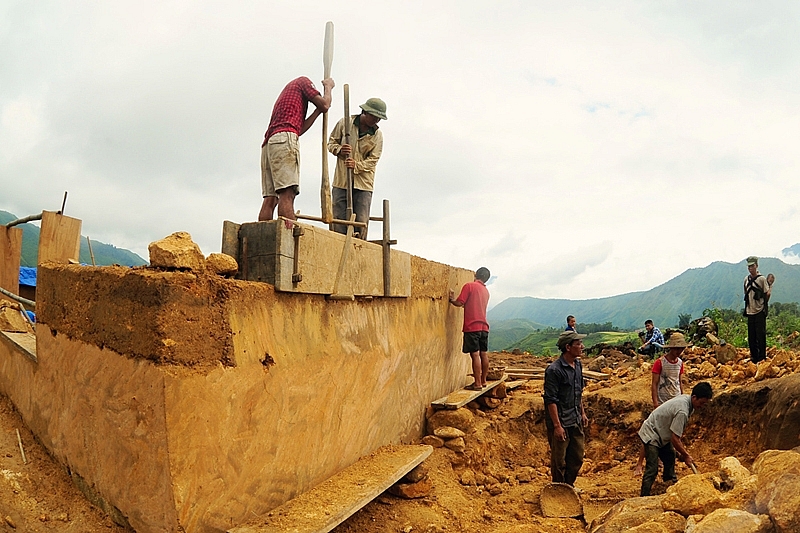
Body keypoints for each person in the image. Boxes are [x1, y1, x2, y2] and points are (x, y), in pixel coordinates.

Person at [259, 76, 335, 226]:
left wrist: (318, 112)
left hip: (270, 144)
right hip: (283, 140)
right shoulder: (303, 82)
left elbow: (299, 129)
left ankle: (263, 240)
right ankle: (286, 241)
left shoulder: (290, 101)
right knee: (287, 194)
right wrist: (328, 87)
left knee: (271, 198)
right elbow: (326, 104)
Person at [634, 382, 713, 496]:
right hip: (652, 432)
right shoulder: (683, 411)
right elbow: (675, 438)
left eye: (704, 404)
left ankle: (669, 484)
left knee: (670, 456)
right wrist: (685, 455)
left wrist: (682, 454)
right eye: (701, 403)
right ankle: (643, 497)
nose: (702, 406)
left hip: (662, 432)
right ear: (694, 397)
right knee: (652, 468)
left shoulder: (688, 401)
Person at [327, 98, 387, 239]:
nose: (376, 120)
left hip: (363, 184)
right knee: (339, 220)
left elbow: (373, 160)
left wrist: (357, 165)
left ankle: (358, 250)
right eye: (374, 116)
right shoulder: (345, 123)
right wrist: (340, 150)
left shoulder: (378, 136)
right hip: (342, 181)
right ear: (365, 112)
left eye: (379, 118)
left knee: (360, 222)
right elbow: (331, 143)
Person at [543, 330, 589, 486]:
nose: (582, 346)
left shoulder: (578, 365)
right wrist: (557, 426)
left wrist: (582, 413)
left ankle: (568, 487)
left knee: (576, 457)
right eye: (578, 344)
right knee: (559, 460)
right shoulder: (554, 370)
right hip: (561, 421)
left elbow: (578, 391)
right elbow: (551, 400)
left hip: (575, 419)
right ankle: (558, 489)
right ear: (568, 347)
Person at [449, 267, 491, 390]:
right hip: (484, 327)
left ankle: (477, 383)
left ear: (476, 274)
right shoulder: (486, 291)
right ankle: (483, 381)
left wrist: (451, 299)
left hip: (472, 326)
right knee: (483, 354)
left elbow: (460, 303)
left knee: (475, 355)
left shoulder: (469, 286)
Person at [743, 256, 771, 363]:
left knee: (760, 335)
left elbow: (767, 293)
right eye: (749, 266)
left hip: (759, 311)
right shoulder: (746, 279)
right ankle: (754, 357)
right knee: (752, 336)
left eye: (752, 266)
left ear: (756, 266)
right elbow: (746, 293)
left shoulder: (762, 279)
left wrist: (763, 304)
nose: (750, 268)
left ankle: (762, 357)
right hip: (750, 311)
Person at [652, 333, 687, 407]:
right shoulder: (660, 362)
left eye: (681, 349)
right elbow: (654, 384)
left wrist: (682, 397)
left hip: (677, 399)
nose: (679, 351)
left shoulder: (680, 363)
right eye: (677, 349)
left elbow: (679, 381)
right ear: (671, 348)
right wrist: (655, 403)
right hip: (663, 402)